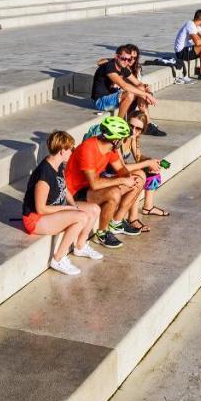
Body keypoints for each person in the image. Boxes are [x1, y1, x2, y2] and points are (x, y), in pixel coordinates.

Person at [23, 130, 104, 275]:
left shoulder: (58, 165)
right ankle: (58, 258)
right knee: (81, 217)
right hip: (35, 219)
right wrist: (67, 209)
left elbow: (64, 188)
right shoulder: (44, 175)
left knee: (94, 209)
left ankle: (80, 246)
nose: (73, 151)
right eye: (71, 149)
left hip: (55, 210)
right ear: (62, 151)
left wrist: (73, 205)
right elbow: (40, 209)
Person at [65, 116, 142, 249]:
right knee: (114, 193)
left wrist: (128, 178)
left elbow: (121, 170)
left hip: (90, 188)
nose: (123, 141)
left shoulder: (110, 149)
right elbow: (94, 183)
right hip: (75, 193)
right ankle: (102, 233)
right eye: (122, 138)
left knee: (139, 178)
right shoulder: (88, 149)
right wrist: (123, 180)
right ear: (116, 139)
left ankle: (116, 222)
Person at [123, 107, 170, 219]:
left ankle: (148, 207)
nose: (133, 131)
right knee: (140, 175)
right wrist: (147, 162)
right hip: (113, 172)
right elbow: (120, 167)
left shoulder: (132, 138)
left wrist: (151, 160)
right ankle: (132, 218)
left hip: (122, 169)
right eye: (131, 126)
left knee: (152, 169)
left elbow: (138, 157)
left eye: (138, 128)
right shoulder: (119, 138)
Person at [91, 44, 158, 119]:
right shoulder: (109, 67)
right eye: (123, 59)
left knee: (140, 87)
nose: (126, 62)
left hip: (113, 98)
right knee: (129, 94)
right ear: (116, 57)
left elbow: (138, 83)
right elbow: (124, 85)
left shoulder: (123, 68)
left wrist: (147, 92)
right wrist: (146, 95)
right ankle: (119, 122)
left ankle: (147, 122)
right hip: (101, 101)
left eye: (128, 59)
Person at [174, 9, 201, 82]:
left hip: (187, 49)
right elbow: (197, 42)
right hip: (181, 52)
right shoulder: (190, 25)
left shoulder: (196, 26)